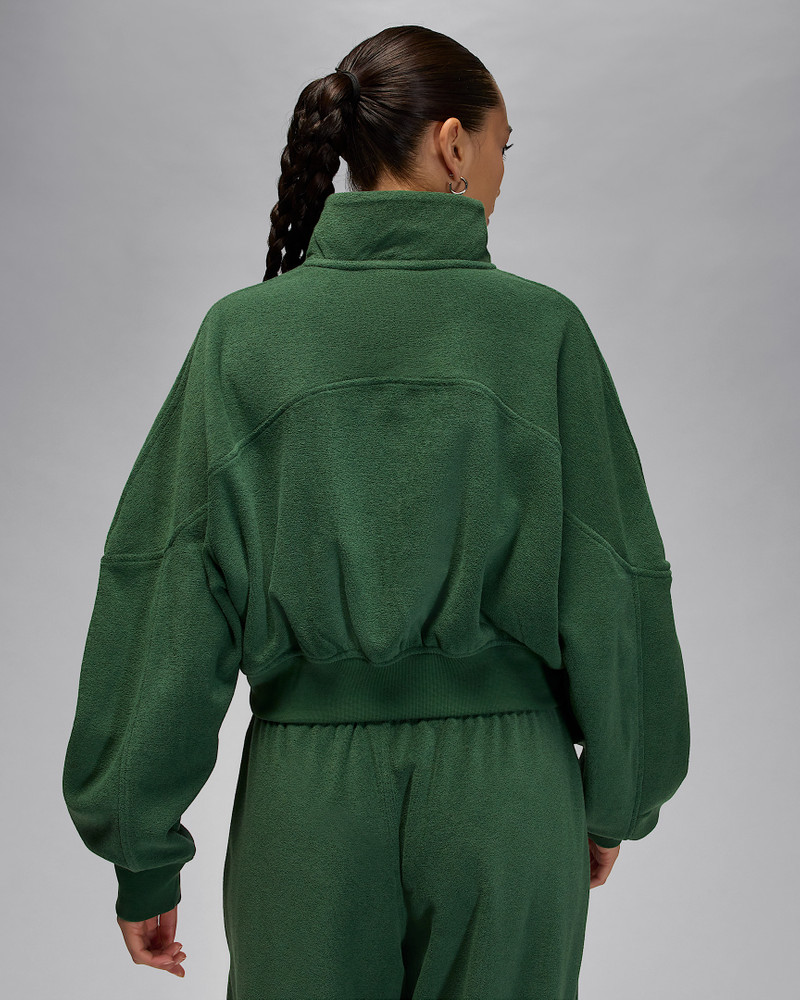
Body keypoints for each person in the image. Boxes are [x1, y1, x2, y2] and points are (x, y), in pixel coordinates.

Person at [62, 23, 690, 1000]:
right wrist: (617, 795)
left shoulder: (244, 336)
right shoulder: (543, 331)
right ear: (452, 144)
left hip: (307, 803)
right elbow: (614, 580)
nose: (500, 172)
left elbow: (169, 589)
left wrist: (142, 849)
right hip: (508, 793)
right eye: (502, 146)